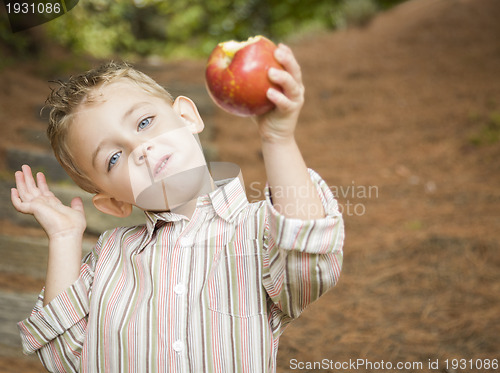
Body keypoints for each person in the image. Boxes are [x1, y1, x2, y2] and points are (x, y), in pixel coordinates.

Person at [11, 43, 344, 372]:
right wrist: (65, 237)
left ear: (187, 116)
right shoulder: (108, 258)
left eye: (144, 123)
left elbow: (309, 267)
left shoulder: (259, 230)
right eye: (114, 158)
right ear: (113, 202)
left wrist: (278, 139)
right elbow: (63, 357)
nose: (140, 148)